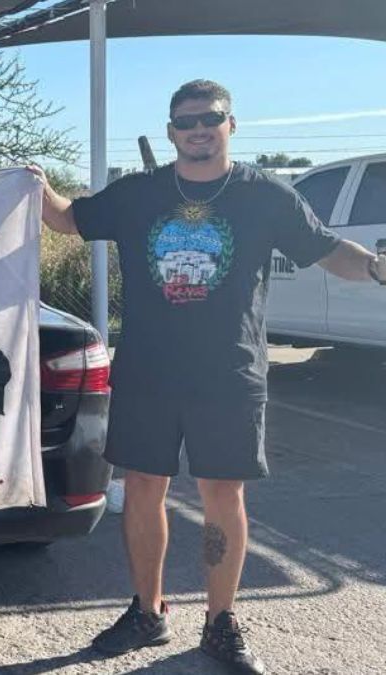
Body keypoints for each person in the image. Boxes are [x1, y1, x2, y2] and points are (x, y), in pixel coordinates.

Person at [30, 79, 386, 674]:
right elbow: (68, 220)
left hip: (230, 373)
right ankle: (147, 612)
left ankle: (221, 622)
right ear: (171, 131)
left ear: (231, 124)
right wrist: (34, 184)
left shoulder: (265, 195)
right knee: (144, 488)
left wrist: (376, 267)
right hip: (148, 371)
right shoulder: (140, 193)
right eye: (186, 120)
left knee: (224, 495)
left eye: (211, 117)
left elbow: (325, 249)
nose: (199, 128)